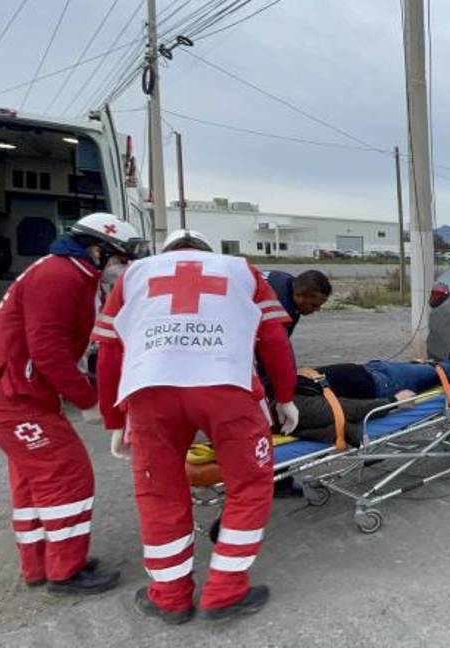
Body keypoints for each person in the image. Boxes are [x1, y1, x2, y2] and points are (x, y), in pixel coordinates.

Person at [92, 228, 298, 624]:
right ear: (208, 250)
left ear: (167, 251)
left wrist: (115, 418)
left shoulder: (135, 274)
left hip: (150, 392)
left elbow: (109, 352)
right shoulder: (241, 270)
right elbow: (274, 339)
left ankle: (168, 596)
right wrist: (285, 396)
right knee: (249, 486)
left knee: (159, 493)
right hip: (227, 387)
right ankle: (225, 590)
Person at [0, 212, 142, 595]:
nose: (123, 268)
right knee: (65, 471)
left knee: (33, 475)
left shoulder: (69, 273)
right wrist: (88, 400)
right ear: (97, 251)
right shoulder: (60, 277)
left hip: (14, 387)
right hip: (9, 391)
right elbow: (48, 351)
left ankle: (40, 563)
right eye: (120, 259)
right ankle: (65, 571)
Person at [289, 356, 450, 444]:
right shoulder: (293, 407)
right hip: (384, 383)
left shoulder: (281, 397)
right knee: (437, 373)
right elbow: (346, 409)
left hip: (372, 372)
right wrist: (394, 400)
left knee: (429, 368)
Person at [264, 269, 332, 336]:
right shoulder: (282, 307)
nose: (317, 309)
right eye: (313, 305)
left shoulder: (290, 281)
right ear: (298, 295)